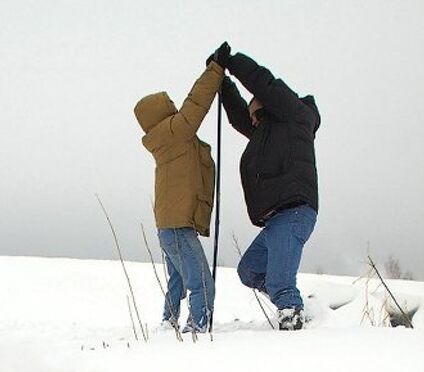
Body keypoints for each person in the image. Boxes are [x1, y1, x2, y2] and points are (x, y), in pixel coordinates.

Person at [214, 44, 320, 330]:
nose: (250, 118)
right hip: (276, 219)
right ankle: (295, 304)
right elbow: (238, 117)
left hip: (294, 211)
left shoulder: (294, 117)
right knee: (249, 270)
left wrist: (232, 62)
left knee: (280, 282)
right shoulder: (267, 133)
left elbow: (264, 82)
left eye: (253, 109)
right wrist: (221, 81)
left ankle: (293, 317)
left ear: (265, 104)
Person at [134, 46, 228, 333]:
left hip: (168, 226)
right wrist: (215, 69)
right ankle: (198, 327)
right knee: (200, 281)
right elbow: (196, 103)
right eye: (169, 103)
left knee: (178, 280)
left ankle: (168, 323)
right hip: (176, 226)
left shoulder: (165, 139)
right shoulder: (174, 132)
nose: (175, 105)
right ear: (161, 112)